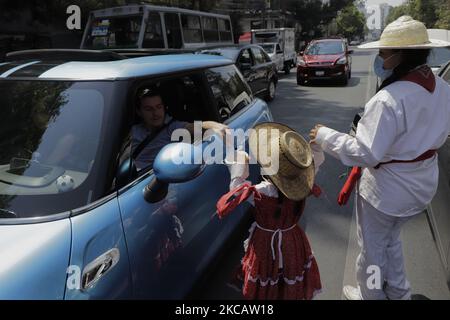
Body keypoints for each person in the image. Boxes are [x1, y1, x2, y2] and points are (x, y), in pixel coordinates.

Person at [309, 16, 450, 300]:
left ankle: (370, 293)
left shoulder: (389, 99)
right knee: (391, 240)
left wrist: (325, 136)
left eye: (384, 54)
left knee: (372, 248)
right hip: (420, 187)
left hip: (388, 193)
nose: (380, 58)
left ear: (400, 56)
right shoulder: (443, 89)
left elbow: (365, 152)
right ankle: (399, 292)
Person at [216, 122, 324, 300]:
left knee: (265, 277)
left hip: (265, 243)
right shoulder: (302, 184)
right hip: (292, 241)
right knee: (291, 272)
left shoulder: (261, 191)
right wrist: (316, 146)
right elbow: (314, 164)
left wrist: (235, 154)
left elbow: (235, 187)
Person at [131, 88, 227, 171]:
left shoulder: (171, 126)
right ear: (139, 112)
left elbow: (194, 127)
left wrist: (214, 126)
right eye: (148, 109)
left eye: (159, 107)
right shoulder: (132, 133)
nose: (155, 113)